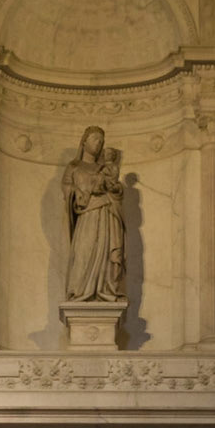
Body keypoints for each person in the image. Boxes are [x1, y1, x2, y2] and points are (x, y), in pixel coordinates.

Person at [62, 126, 126, 302]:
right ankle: (80, 291)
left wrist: (115, 189)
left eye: (101, 141)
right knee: (83, 252)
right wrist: (82, 191)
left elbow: (115, 191)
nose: (99, 143)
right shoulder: (74, 166)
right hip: (86, 216)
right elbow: (67, 189)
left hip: (105, 215)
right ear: (84, 141)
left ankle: (104, 289)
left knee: (105, 254)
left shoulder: (105, 168)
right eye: (95, 139)